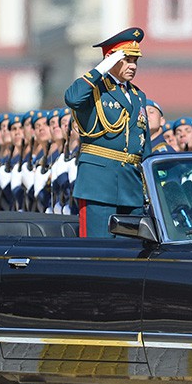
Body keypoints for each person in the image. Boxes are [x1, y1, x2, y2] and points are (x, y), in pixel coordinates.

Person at [64, 27, 151, 238]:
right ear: (111, 61)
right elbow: (72, 98)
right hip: (99, 183)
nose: (132, 66)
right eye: (127, 60)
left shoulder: (138, 96)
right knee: (98, 251)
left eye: (135, 61)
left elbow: (143, 144)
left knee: (130, 252)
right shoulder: (95, 89)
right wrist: (101, 68)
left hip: (131, 184)